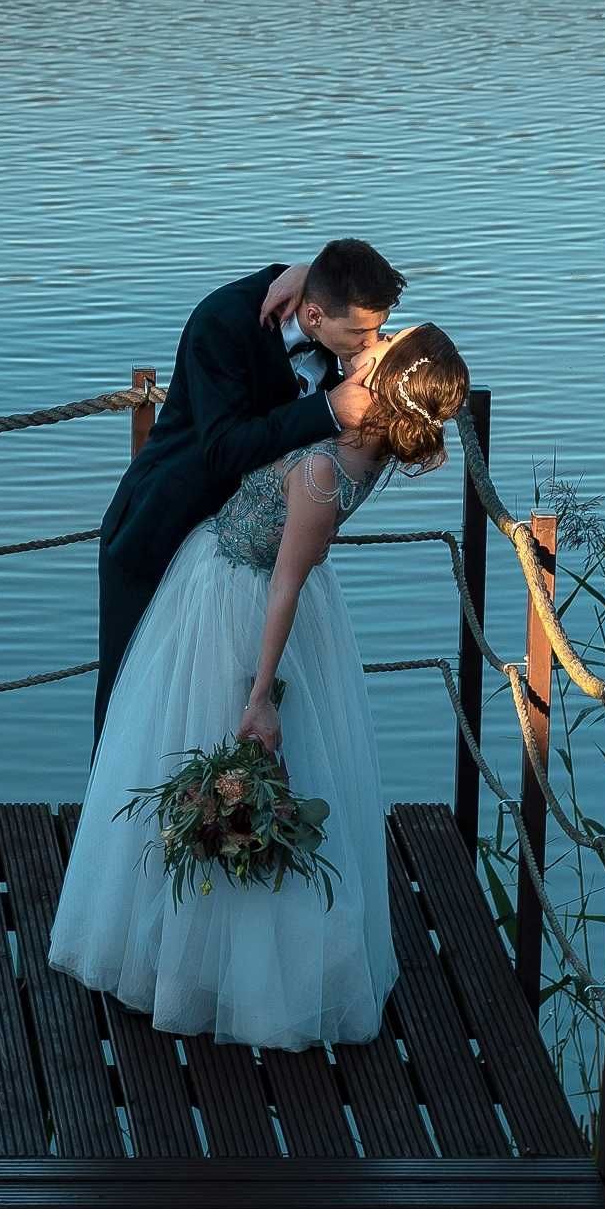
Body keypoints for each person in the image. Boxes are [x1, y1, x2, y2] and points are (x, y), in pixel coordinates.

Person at [52, 319, 472, 1052]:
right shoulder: (369, 441)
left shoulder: (321, 470)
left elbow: (283, 585)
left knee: (212, 763)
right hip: (247, 591)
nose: (376, 343)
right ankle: (206, 951)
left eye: (389, 343)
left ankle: (218, 969)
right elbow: (369, 354)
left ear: (391, 386)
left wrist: (259, 692)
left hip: (238, 608)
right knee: (222, 773)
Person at [93, 240, 406, 737]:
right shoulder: (221, 323)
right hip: (160, 533)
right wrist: (328, 412)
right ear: (315, 314)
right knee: (136, 714)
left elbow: (392, 322)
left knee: (223, 716)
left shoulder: (333, 317)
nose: (373, 342)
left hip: (246, 569)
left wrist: (303, 269)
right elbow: (223, 449)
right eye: (362, 332)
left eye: (378, 328)